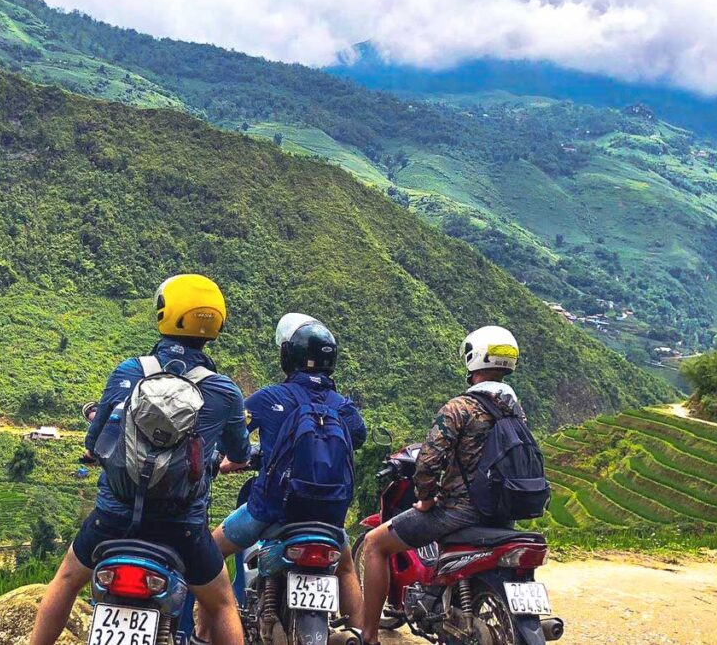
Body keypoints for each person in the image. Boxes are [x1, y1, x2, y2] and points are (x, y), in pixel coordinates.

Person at [30, 274, 251, 645]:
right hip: (182, 527)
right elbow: (241, 452)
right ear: (216, 323)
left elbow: (95, 437)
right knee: (223, 605)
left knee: (66, 582)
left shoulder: (129, 371)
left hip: (114, 517)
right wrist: (229, 460)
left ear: (164, 313)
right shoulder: (224, 390)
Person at [192, 314, 367, 643]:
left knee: (211, 553)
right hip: (328, 518)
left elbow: (233, 436)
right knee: (345, 569)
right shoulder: (344, 407)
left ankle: (203, 635)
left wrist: (229, 460)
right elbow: (358, 438)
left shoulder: (269, 398)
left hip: (271, 510)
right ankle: (361, 634)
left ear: (289, 356)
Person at [358, 325, 524, 645]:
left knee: (376, 544)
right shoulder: (515, 410)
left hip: (460, 512)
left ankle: (368, 636)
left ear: (473, 359)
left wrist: (425, 499)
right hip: (504, 515)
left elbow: (429, 461)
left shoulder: (460, 407)